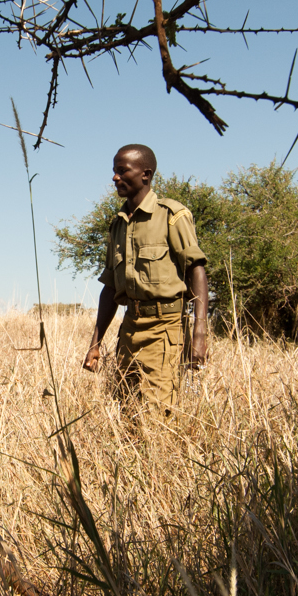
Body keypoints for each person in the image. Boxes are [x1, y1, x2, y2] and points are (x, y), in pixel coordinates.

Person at [81, 144, 209, 422]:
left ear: (146, 174)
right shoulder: (118, 224)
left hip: (166, 328)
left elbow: (196, 269)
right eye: (114, 171)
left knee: (157, 417)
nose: (115, 178)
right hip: (129, 329)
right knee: (127, 410)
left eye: (122, 170)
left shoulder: (172, 215)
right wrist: (96, 343)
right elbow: (111, 288)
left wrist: (200, 332)